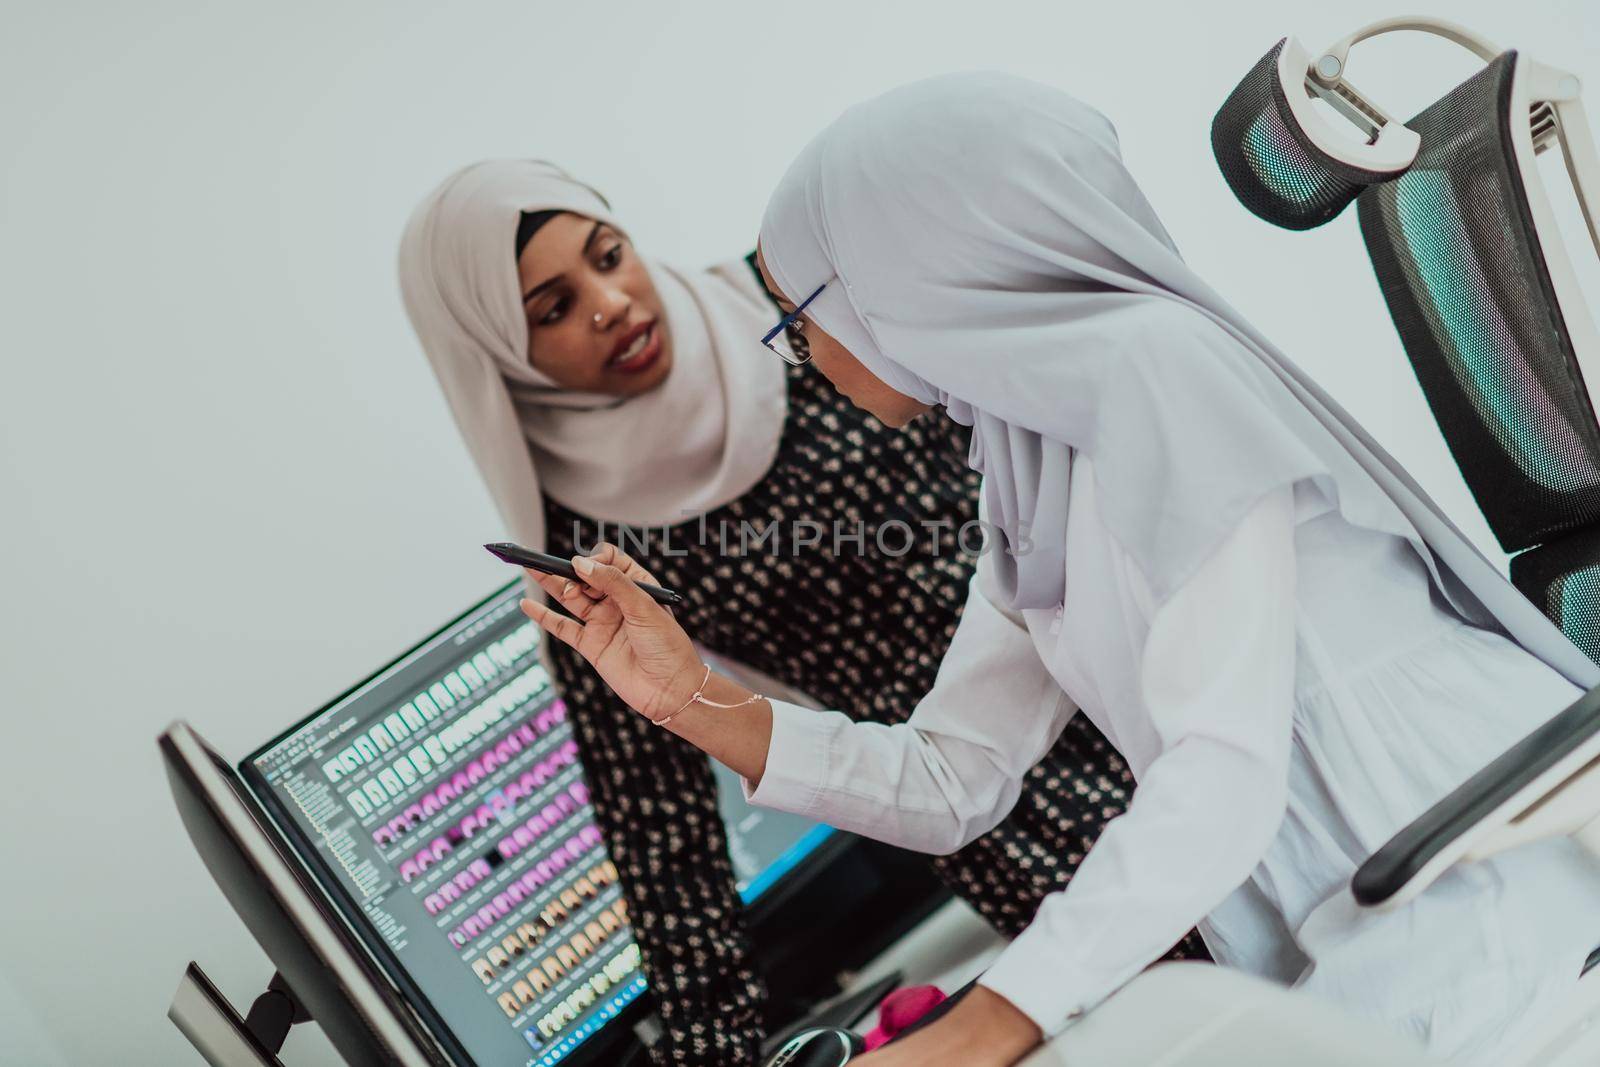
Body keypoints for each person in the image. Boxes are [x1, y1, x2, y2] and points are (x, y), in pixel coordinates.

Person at [518, 75, 1600, 1064]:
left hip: (1485, 895)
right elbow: (954, 777)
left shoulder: (1156, 375)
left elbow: (1221, 768)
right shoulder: (1029, 452)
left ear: (910, 274)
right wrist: (691, 699)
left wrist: (989, 1023)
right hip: (1376, 916)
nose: (802, 353)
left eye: (800, 316)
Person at [397, 161, 1186, 1065]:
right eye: (553, 309)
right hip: (1001, 817)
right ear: (503, 355)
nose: (610, 303)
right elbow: (663, 836)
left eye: (608, 256)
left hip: (1149, 690)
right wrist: (719, 1058)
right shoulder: (587, 547)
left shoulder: (805, 307)